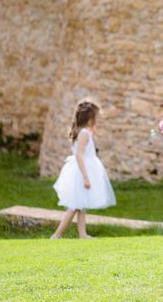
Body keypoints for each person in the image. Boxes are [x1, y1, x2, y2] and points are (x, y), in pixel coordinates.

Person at [52, 100, 116, 239]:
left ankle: (82, 234)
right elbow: (79, 154)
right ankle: (57, 235)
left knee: (81, 204)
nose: (96, 121)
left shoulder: (83, 132)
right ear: (88, 119)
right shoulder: (84, 134)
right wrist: (86, 177)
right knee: (74, 206)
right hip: (82, 171)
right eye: (95, 118)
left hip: (82, 169)